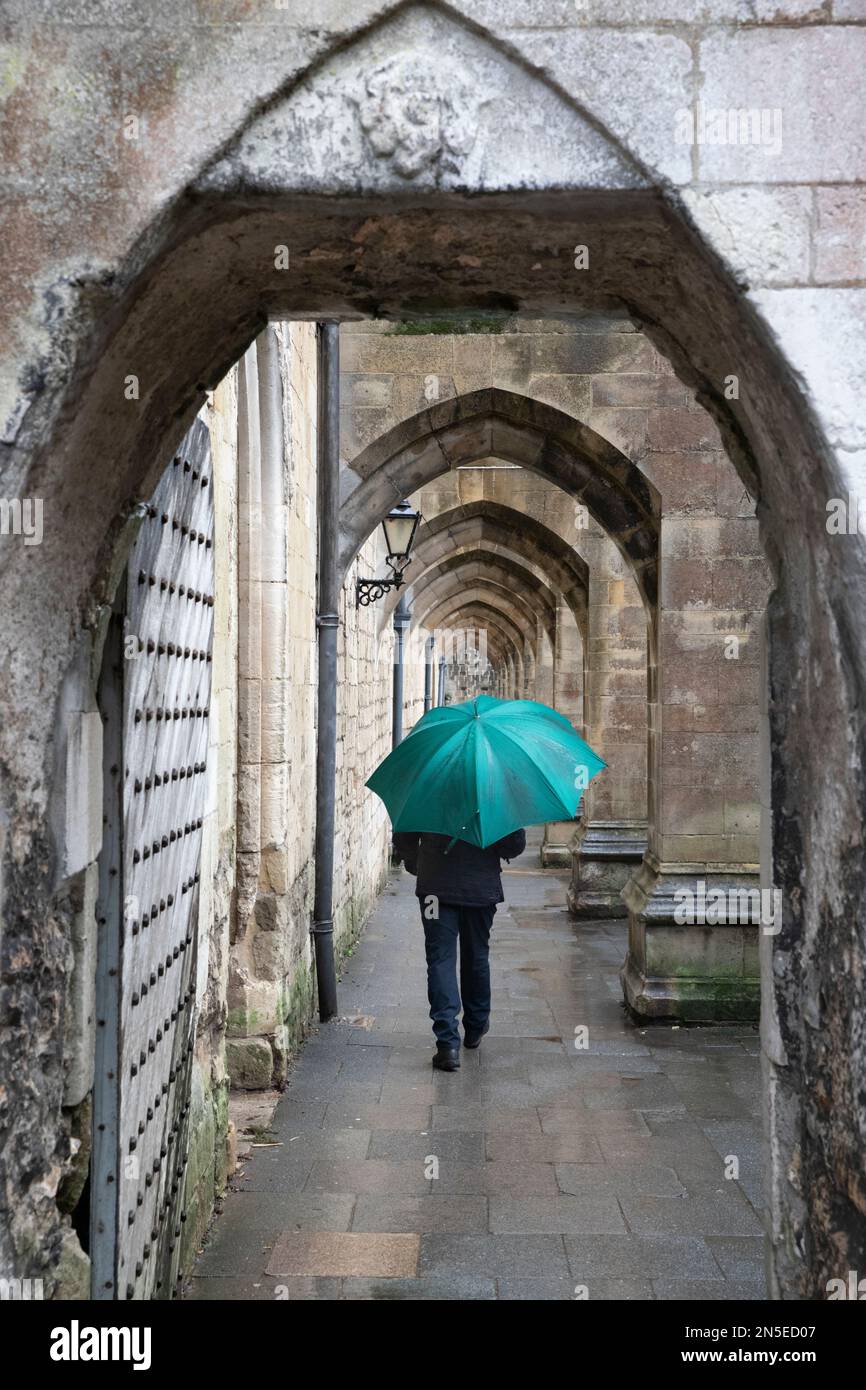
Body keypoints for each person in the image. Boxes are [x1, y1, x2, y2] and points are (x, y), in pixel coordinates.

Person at [392, 827, 527, 1071]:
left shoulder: (429, 789)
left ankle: (447, 1044)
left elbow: (404, 836)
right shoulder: (493, 792)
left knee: (440, 959)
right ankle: (475, 1027)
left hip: (435, 890)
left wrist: (418, 864)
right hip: (481, 888)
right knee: (476, 955)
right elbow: (513, 846)